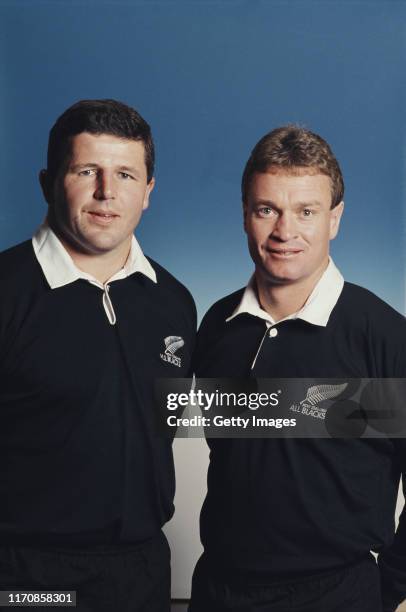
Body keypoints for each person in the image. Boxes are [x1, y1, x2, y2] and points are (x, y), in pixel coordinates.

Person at [190, 126, 406, 612]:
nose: (285, 232)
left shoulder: (385, 337)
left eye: (306, 212)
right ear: (246, 215)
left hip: (338, 595)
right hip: (219, 591)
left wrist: (391, 589)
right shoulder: (218, 326)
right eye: (268, 209)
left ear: (335, 219)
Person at [0, 99, 196, 611]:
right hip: (28, 575)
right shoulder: (7, 292)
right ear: (48, 182)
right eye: (87, 170)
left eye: (126, 174)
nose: (107, 192)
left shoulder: (174, 302)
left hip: (143, 572)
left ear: (148, 191)